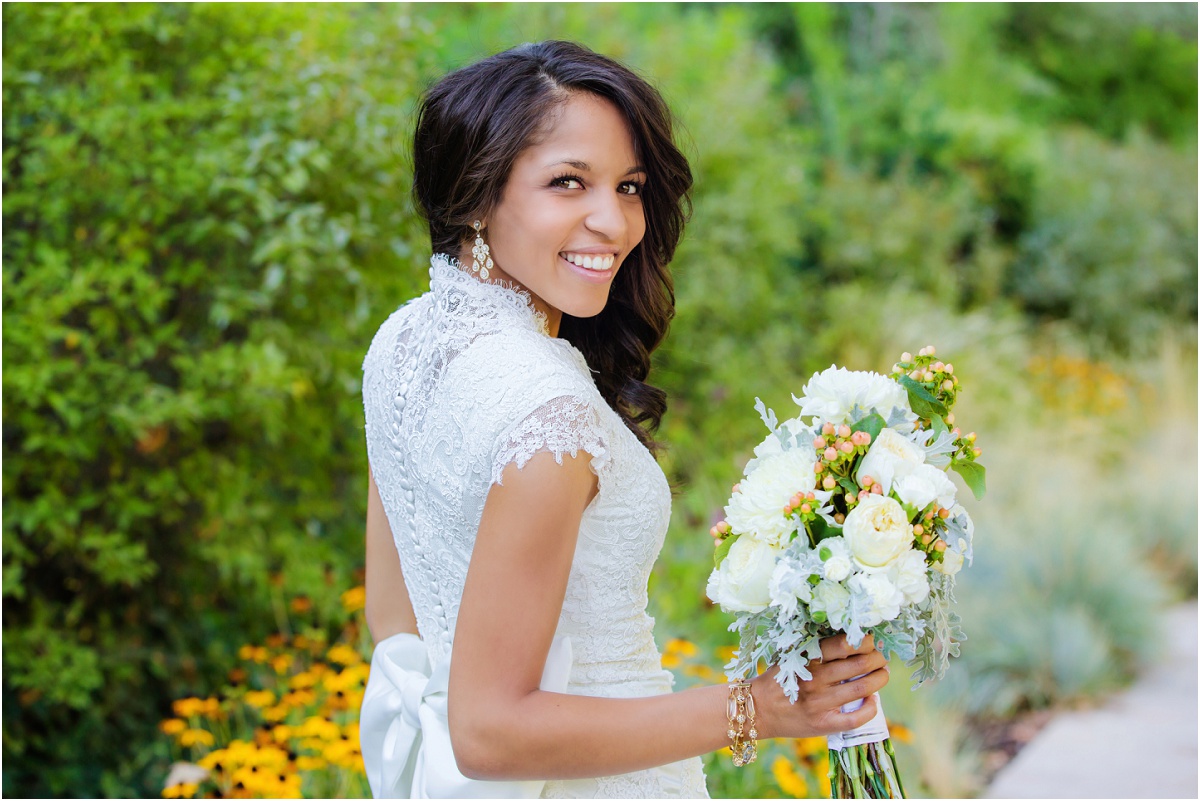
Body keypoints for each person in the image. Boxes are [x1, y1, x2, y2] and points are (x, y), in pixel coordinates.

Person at [358, 40, 890, 799]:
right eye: (567, 181)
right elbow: (487, 730)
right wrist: (759, 705)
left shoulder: (401, 346)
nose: (614, 221)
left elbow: (396, 621)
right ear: (475, 195)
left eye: (631, 186)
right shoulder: (547, 410)